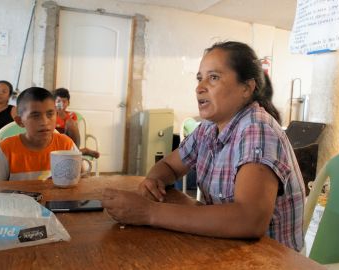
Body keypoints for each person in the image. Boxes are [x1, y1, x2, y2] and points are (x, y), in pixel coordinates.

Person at [102, 41, 305, 251]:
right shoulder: (208, 128)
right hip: (227, 249)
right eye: (199, 78)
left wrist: (149, 212)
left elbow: (249, 220)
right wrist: (154, 180)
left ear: (246, 88)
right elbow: (170, 166)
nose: (200, 87)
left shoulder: (257, 129)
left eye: (213, 77)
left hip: (269, 260)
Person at [0, 87, 77, 181]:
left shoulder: (66, 145)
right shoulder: (7, 148)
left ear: (56, 115)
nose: (44, 122)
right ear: (20, 121)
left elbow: (81, 178)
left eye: (50, 114)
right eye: (35, 116)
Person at [53, 88, 100, 158]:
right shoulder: (51, 114)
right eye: (59, 101)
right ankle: (83, 151)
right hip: (55, 142)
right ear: (54, 103)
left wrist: (62, 114)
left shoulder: (72, 115)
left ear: (68, 103)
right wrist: (56, 113)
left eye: (64, 101)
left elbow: (73, 132)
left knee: (71, 122)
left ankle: (76, 152)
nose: (61, 104)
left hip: (68, 143)